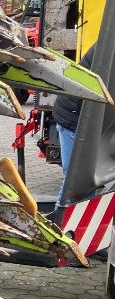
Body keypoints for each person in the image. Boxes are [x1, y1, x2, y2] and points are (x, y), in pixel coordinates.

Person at [52, 45, 96, 205]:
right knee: (75, 183)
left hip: (86, 119)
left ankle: (83, 224)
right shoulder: (109, 46)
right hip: (74, 118)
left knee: (88, 183)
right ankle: (58, 224)